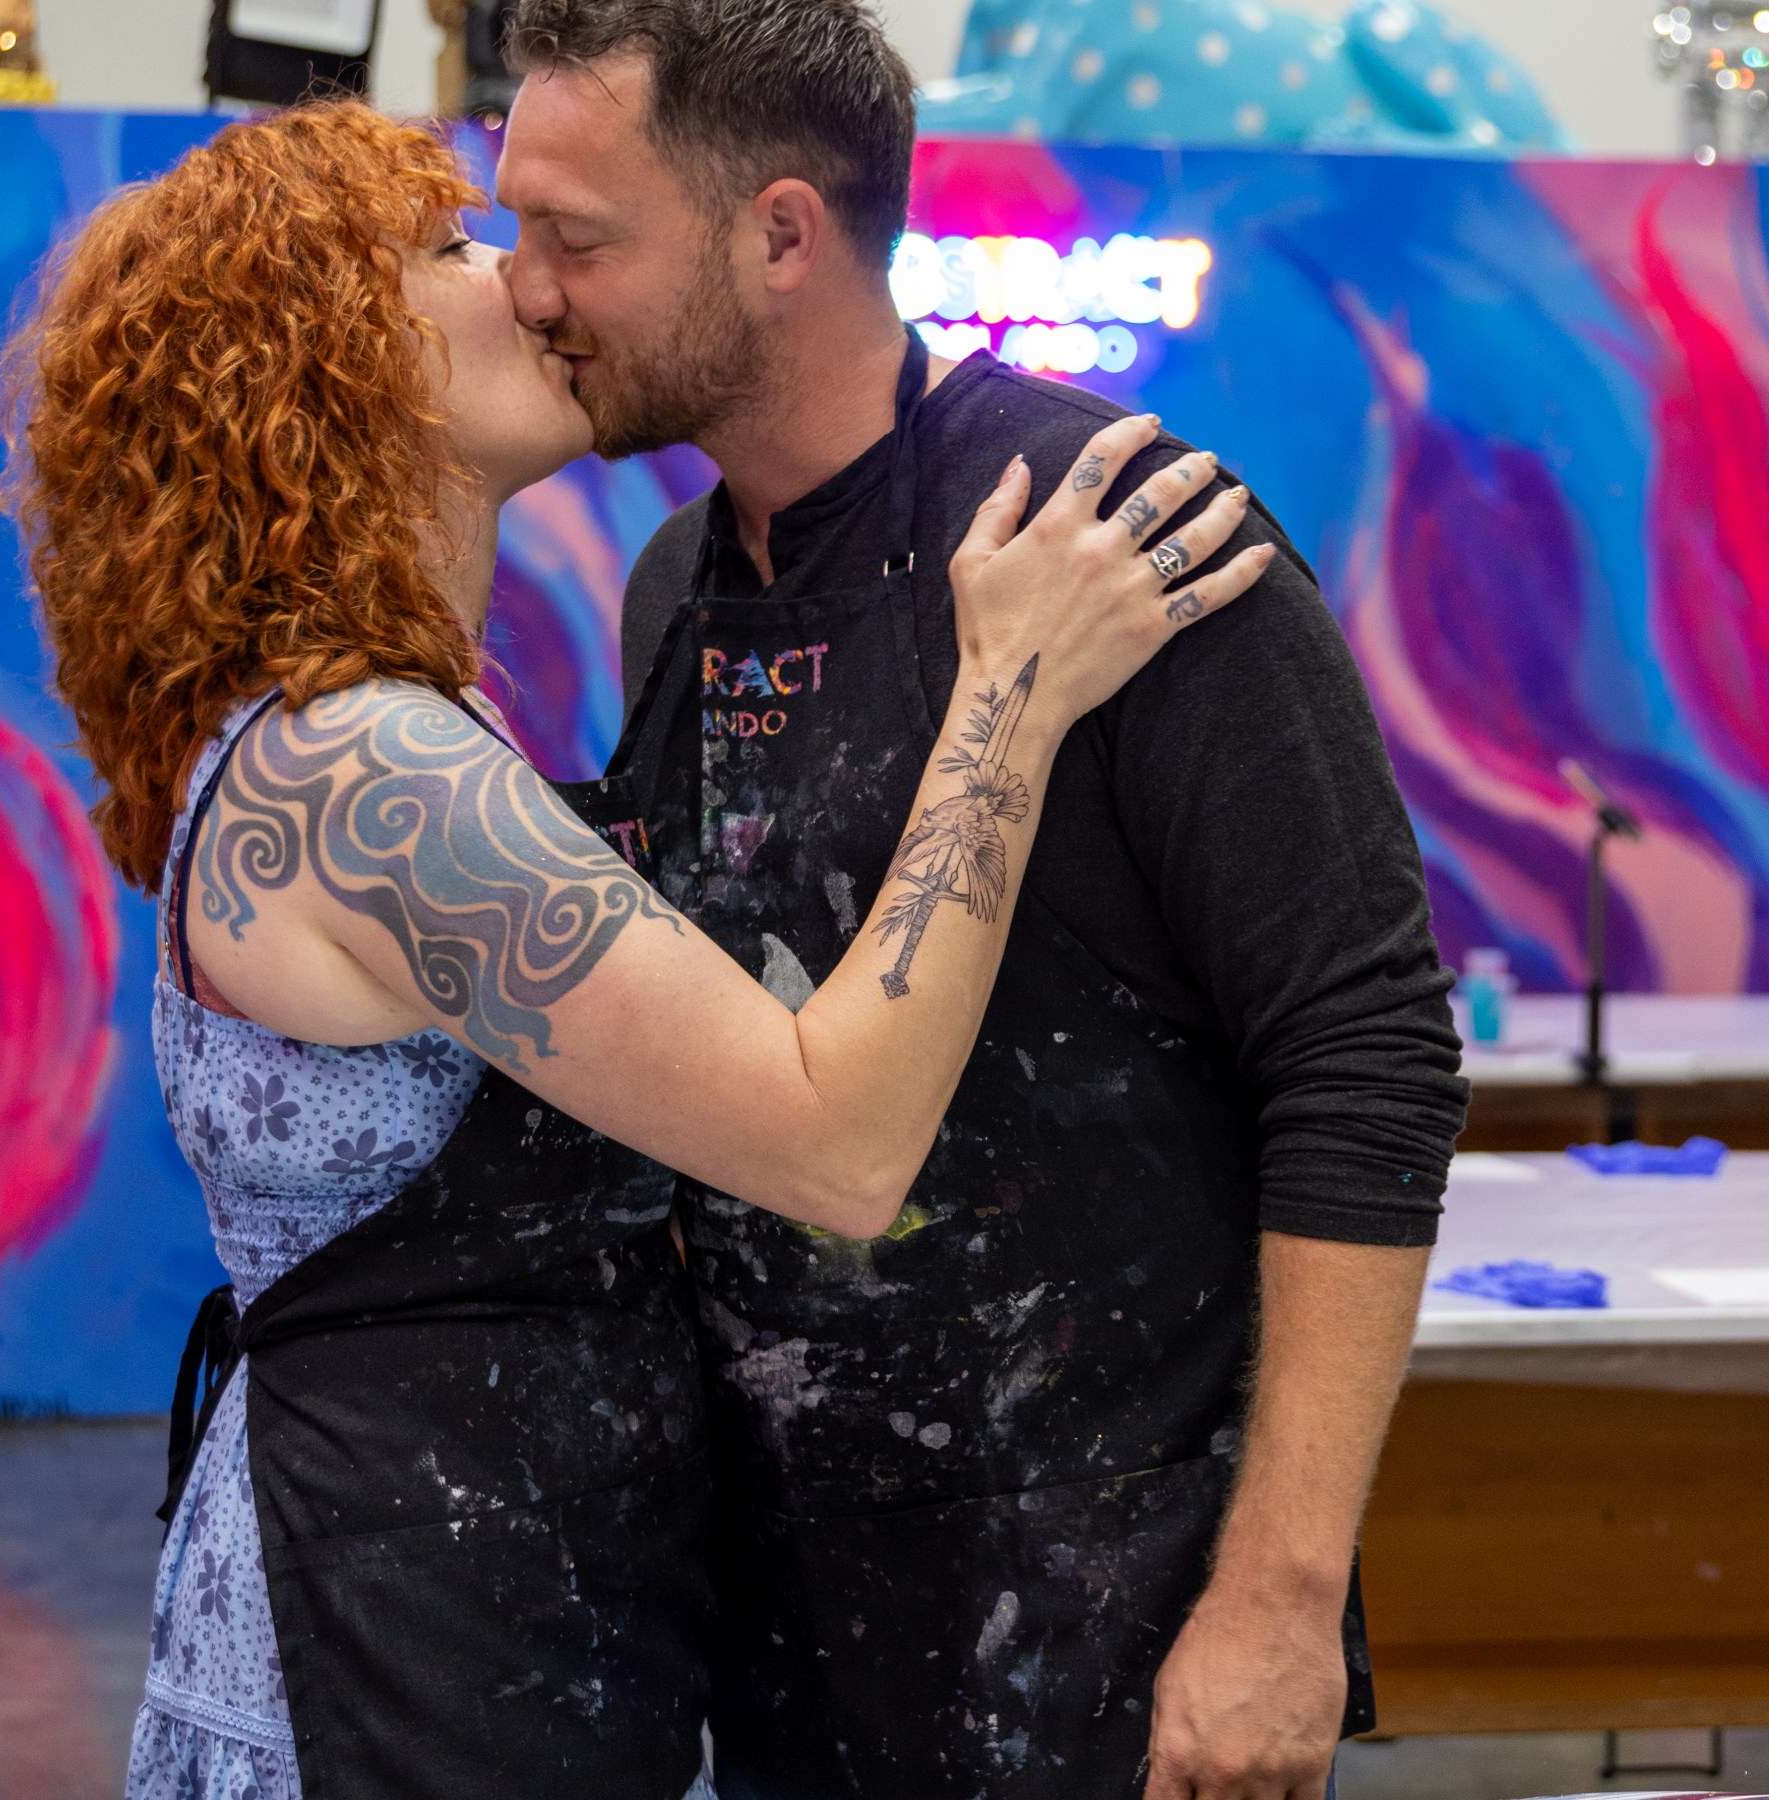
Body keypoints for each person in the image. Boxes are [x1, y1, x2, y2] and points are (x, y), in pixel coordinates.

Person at [0, 100, 1272, 1800]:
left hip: (483, 1603)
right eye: (457, 251)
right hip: (403, 1645)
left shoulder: (357, 735)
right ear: (316, 360)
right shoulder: (370, 770)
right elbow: (837, 1136)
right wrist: (1013, 693)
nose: (527, 287)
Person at [493, 3, 1472, 1797]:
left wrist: (1276, 1603)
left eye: (577, 237)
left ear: (781, 234)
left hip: (1116, 1623)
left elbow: (1367, 1055)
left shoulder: (1134, 540)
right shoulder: (671, 597)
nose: (529, 291)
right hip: (789, 1636)